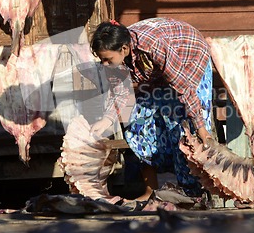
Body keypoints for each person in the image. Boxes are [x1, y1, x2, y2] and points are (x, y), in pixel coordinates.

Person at [89, 17, 214, 200]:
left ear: (124, 48)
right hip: (155, 74)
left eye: (108, 60)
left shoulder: (153, 45)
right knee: (137, 122)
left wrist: (203, 131)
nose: (105, 65)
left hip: (189, 60)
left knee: (182, 126)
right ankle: (150, 191)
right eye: (102, 61)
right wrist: (106, 120)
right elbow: (120, 93)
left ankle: (193, 193)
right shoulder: (117, 59)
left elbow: (185, 89)